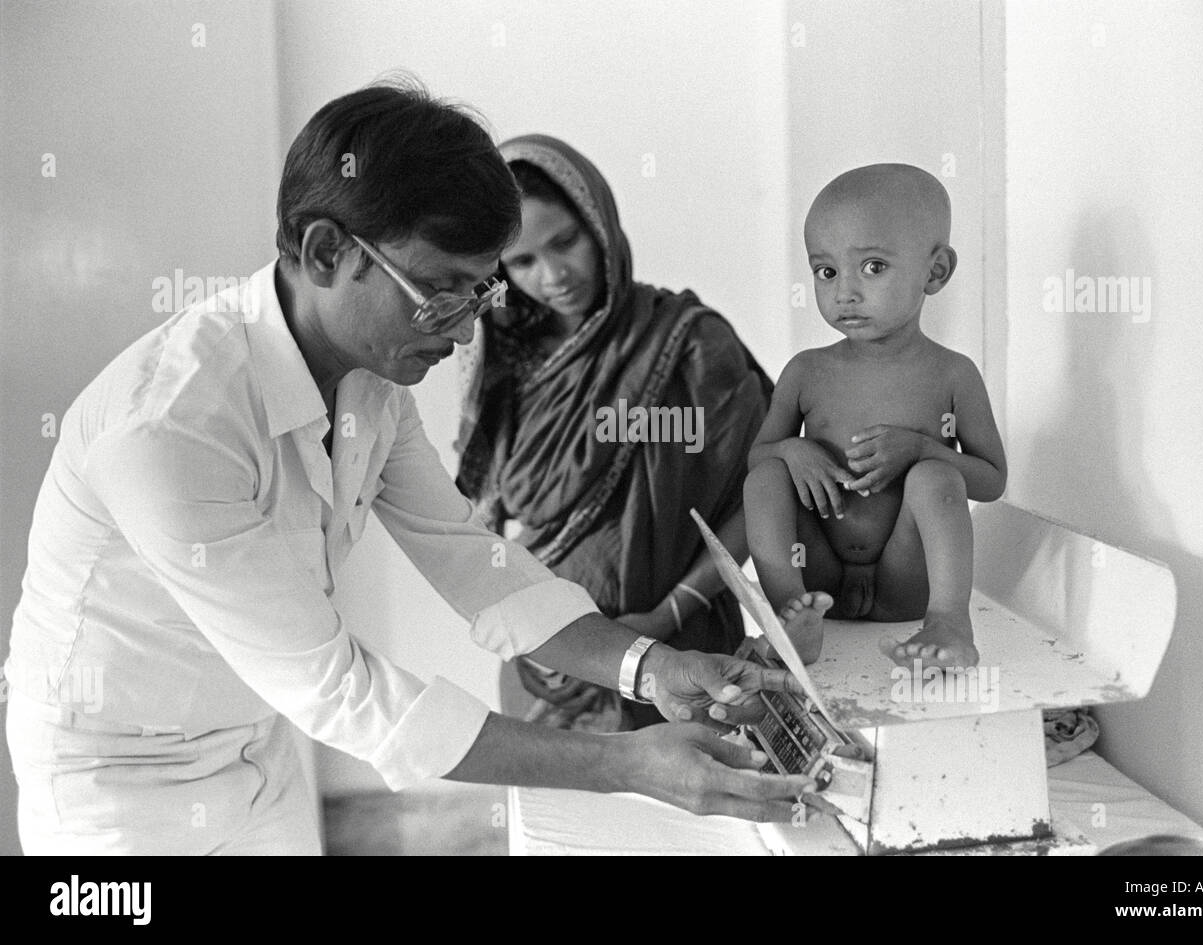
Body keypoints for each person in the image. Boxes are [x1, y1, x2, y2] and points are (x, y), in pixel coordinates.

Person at [1, 81, 814, 855]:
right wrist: (630, 766)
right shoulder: (170, 428)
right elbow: (339, 688)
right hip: (119, 786)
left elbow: (473, 556)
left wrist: (650, 668)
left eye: (476, 295)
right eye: (439, 291)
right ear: (326, 252)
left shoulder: (369, 376)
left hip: (254, 742)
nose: (464, 333)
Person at [455, 134, 772, 731]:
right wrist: (532, 631)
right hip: (551, 665)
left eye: (565, 242)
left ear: (599, 224)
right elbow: (483, 522)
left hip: (688, 652)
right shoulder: (505, 366)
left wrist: (668, 613)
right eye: (522, 262)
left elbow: (763, 492)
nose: (552, 275)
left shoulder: (691, 345)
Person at [744, 164, 1007, 670]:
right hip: (818, 579)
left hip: (903, 581)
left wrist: (923, 450)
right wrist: (790, 450)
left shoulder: (953, 374)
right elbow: (758, 457)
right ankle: (787, 618)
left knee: (935, 476)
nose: (844, 292)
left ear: (935, 272)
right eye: (826, 272)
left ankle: (950, 621)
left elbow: (992, 480)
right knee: (766, 479)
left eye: (872, 268)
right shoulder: (806, 371)